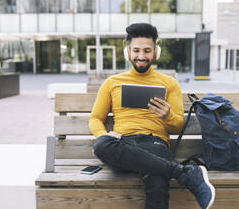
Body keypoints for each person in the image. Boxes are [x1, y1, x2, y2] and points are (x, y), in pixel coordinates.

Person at [88, 23, 215, 209]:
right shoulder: (111, 83)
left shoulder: (169, 83)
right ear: (128, 52)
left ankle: (180, 172)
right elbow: (95, 118)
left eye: (147, 51)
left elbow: (178, 126)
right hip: (123, 143)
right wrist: (104, 134)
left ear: (156, 52)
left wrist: (167, 115)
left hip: (155, 144)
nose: (141, 56)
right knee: (101, 144)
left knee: (157, 181)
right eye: (136, 50)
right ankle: (184, 173)